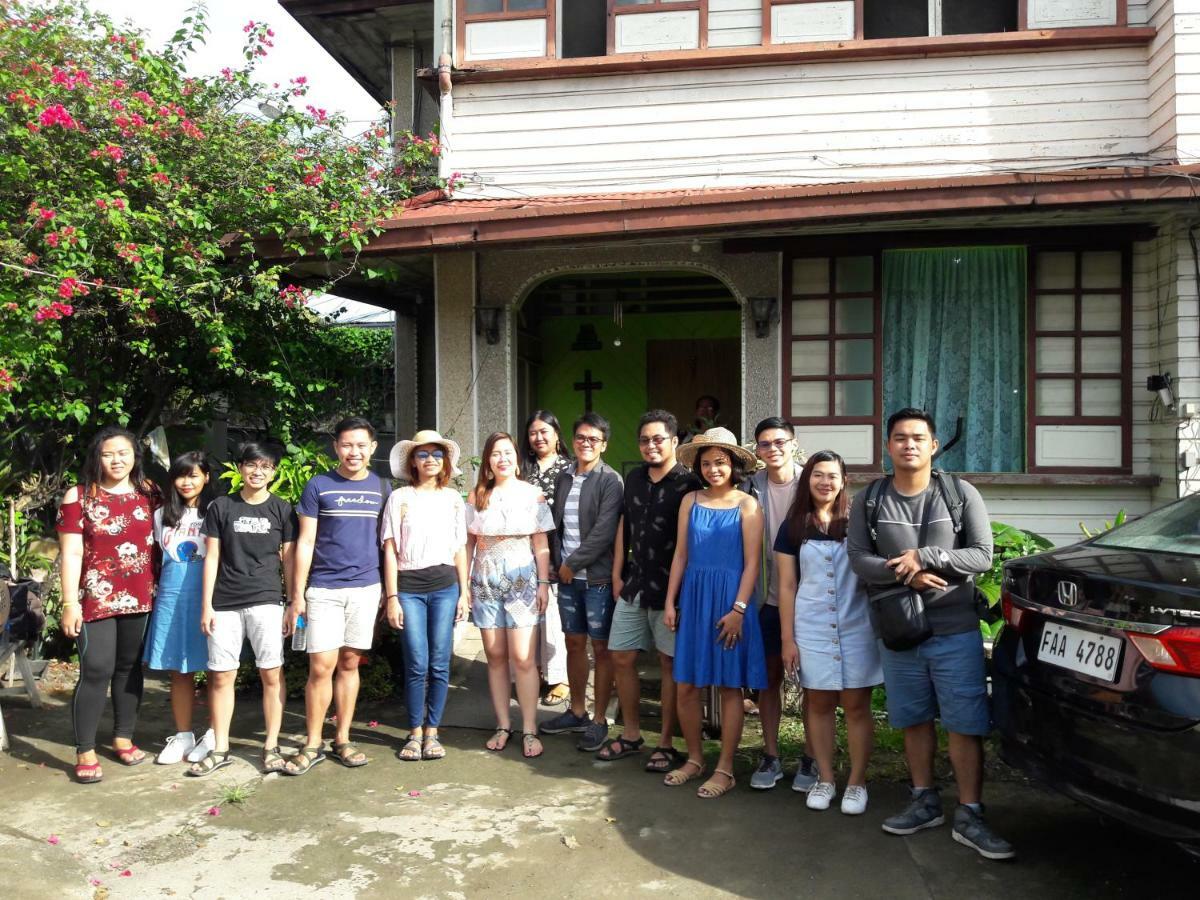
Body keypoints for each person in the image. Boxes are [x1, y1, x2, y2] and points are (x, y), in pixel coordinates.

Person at [847, 408, 1011, 859]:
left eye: (918, 438)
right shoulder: (871, 498)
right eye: (899, 438)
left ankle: (971, 812)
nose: (909, 445)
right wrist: (906, 573)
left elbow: (981, 556)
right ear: (888, 445)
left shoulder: (960, 494)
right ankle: (924, 801)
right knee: (914, 719)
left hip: (954, 629)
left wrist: (927, 557)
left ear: (934, 445)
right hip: (900, 631)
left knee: (965, 722)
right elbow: (859, 558)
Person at [776, 450, 882, 814]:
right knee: (818, 704)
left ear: (843, 481)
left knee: (856, 706)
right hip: (812, 629)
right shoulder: (792, 526)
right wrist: (787, 639)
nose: (825, 482)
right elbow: (787, 586)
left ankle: (856, 781)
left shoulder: (859, 522)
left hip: (857, 626)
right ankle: (825, 777)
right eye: (817, 475)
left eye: (832, 476)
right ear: (807, 480)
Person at [664, 427, 765, 798]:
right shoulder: (690, 500)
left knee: (728, 686)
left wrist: (738, 609)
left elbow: (753, 564)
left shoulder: (748, 505)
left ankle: (725, 768)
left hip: (730, 601)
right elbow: (680, 555)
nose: (712, 469)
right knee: (687, 684)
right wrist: (671, 602)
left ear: (734, 464)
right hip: (693, 598)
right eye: (706, 463)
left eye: (720, 462)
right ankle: (694, 759)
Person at [285, 417, 390, 774]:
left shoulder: (383, 488)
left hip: (366, 587)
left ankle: (342, 737)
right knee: (320, 666)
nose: (354, 452)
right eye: (347, 444)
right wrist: (296, 595)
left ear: (373, 448)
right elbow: (306, 542)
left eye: (361, 445)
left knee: (349, 663)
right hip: (324, 589)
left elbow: (386, 544)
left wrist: (388, 594)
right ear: (336, 447)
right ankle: (313, 742)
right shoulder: (319, 485)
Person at [57, 426, 161, 784]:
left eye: (124, 453)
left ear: (135, 457)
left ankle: (123, 736)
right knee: (97, 670)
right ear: (96, 458)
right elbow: (69, 552)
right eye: (108, 454)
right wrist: (69, 602)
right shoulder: (79, 496)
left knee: (129, 668)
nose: (117, 460)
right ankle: (85, 748)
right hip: (94, 598)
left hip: (141, 596)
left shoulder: (150, 493)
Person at [599, 409, 701, 771]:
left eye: (659, 439)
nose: (651, 445)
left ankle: (666, 742)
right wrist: (616, 573)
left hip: (671, 590)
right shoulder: (635, 478)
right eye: (645, 439)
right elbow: (624, 524)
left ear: (675, 441)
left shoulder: (690, 484)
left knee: (669, 663)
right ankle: (630, 733)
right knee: (620, 657)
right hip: (634, 584)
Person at [189, 442, 296, 777]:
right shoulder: (221, 507)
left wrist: (293, 601)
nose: (257, 472)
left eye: (265, 466)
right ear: (240, 468)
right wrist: (206, 605)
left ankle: (272, 746)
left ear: (274, 471)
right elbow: (212, 558)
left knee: (271, 672)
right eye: (251, 464)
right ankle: (220, 747)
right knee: (221, 675)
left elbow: (290, 560)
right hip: (225, 602)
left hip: (266, 600)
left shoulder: (282, 509)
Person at [740, 417, 818, 793]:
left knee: (812, 683)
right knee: (768, 679)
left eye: (779, 442)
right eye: (765, 444)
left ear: (793, 443)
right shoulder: (750, 487)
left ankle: (811, 756)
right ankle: (770, 755)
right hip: (767, 599)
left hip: (812, 599)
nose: (773, 449)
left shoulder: (813, 482)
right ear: (756, 450)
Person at [380, 429, 468, 762]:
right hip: (409, 589)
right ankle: (414, 733)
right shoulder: (400, 498)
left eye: (436, 454)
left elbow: (460, 548)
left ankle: (433, 732)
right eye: (423, 454)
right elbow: (390, 549)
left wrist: (464, 593)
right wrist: (392, 597)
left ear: (445, 460)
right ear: (412, 462)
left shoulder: (452, 499)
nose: (430, 460)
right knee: (417, 662)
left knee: (440, 661)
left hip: (446, 587)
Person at [539, 413, 624, 752]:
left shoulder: (610, 480)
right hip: (567, 578)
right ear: (572, 441)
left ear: (603, 444)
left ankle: (599, 719)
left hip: (597, 579)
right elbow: (556, 525)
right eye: (581, 438)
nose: (586, 443)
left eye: (593, 439)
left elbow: (605, 532)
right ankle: (576, 711)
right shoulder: (564, 477)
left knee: (601, 648)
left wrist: (571, 565)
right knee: (573, 643)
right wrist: (558, 564)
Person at [467, 432, 555, 758]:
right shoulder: (477, 495)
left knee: (523, 658)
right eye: (495, 453)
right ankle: (503, 725)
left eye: (507, 452)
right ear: (488, 461)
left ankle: (529, 728)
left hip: (523, 582)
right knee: (495, 656)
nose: (502, 458)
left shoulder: (533, 494)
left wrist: (544, 583)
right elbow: (468, 542)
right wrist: (465, 582)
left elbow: (541, 544)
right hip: (485, 581)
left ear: (516, 458)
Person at [144, 451, 216, 765]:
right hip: (172, 596)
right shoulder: (162, 514)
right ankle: (184, 735)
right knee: (179, 669)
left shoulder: (216, 511)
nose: (187, 482)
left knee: (217, 669)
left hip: (210, 596)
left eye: (194, 475)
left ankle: (215, 733)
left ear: (206, 478)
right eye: (181, 475)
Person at [519, 410, 572, 705]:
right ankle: (533, 671)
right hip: (522, 554)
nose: (538, 438)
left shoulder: (569, 468)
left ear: (556, 434)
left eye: (544, 431)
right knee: (529, 617)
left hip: (558, 551)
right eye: (533, 433)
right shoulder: (522, 469)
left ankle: (560, 677)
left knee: (553, 617)